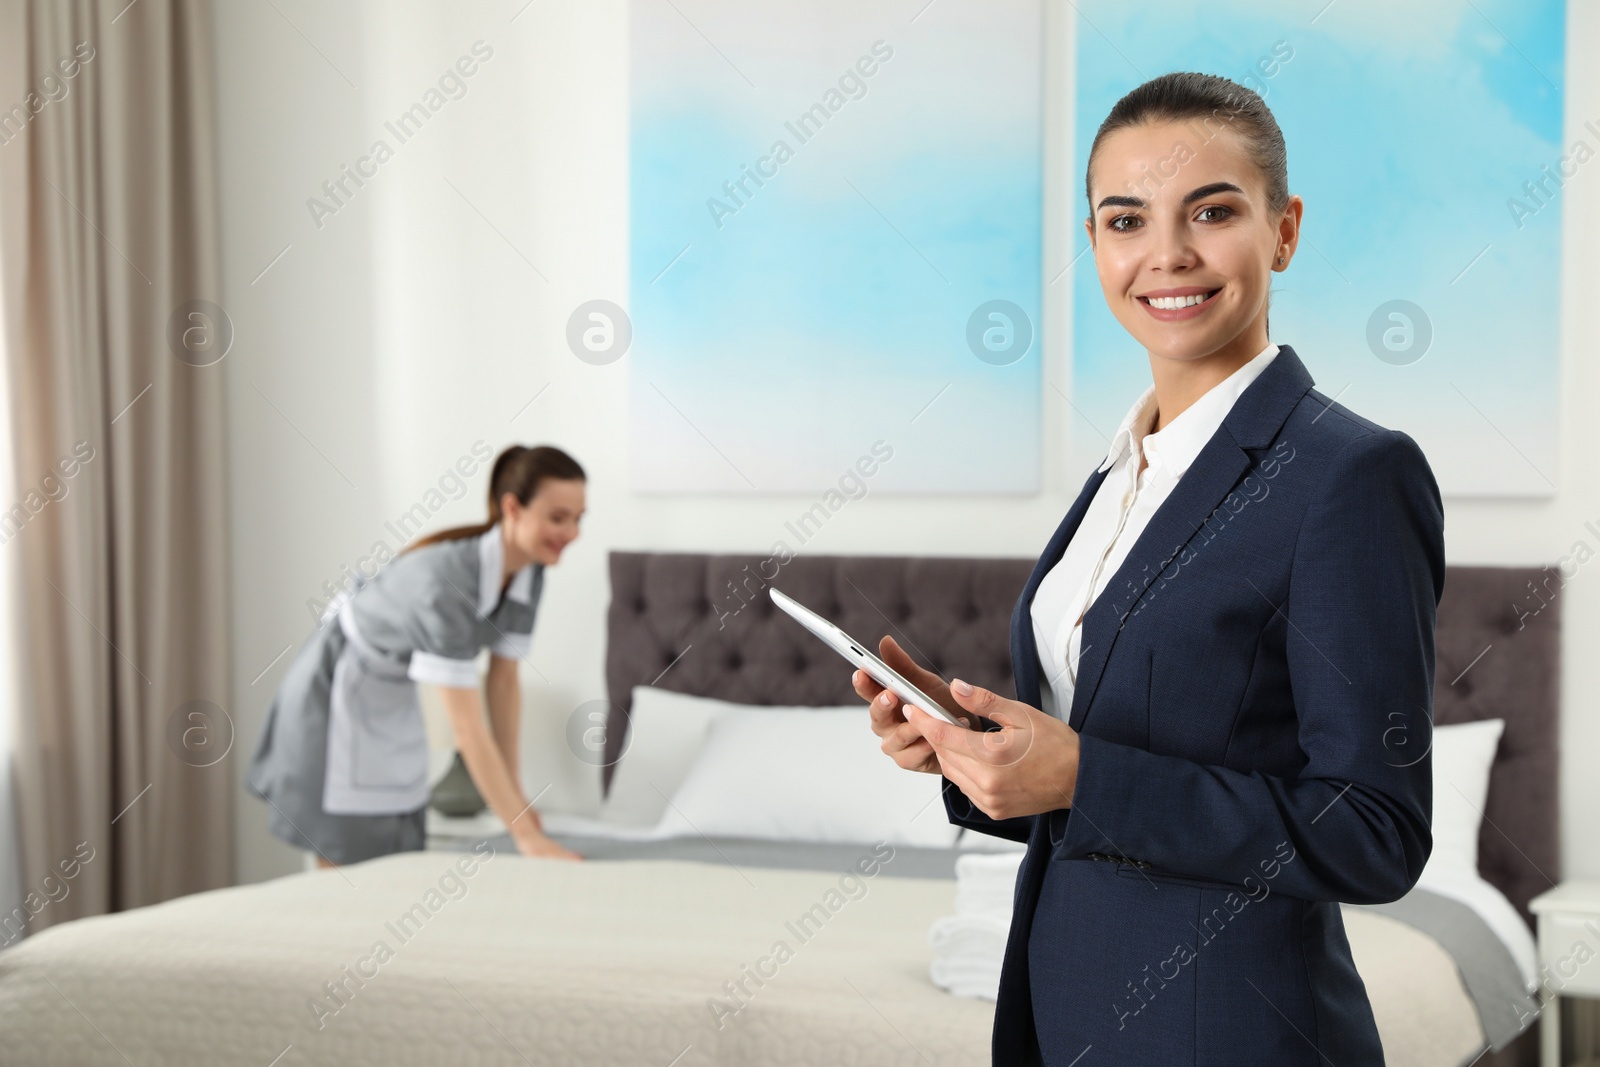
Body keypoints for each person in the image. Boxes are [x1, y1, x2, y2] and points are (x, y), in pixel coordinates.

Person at [856, 72, 1443, 1065]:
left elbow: (1373, 829)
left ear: (1284, 229)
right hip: (1066, 1012)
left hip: (1230, 1029)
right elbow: (1116, 755)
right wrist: (976, 755)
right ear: (1094, 243)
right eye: (1126, 219)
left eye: (1211, 211)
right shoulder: (1123, 471)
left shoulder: (1348, 473)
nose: (1165, 254)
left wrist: (1082, 775)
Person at [246, 444, 587, 866]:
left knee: (394, 850)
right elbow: (468, 728)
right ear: (513, 509)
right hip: (335, 686)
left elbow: (502, 682)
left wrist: (517, 797)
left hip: (389, 689)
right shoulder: (447, 583)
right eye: (558, 518)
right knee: (341, 846)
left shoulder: (530, 572)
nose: (571, 533)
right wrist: (525, 836)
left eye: (578, 518)